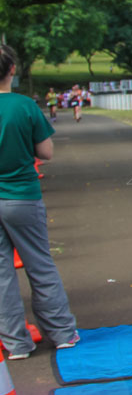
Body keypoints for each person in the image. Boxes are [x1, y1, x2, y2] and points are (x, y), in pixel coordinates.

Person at [0, 45, 79, 359]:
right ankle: (61, 332)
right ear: (12, 70)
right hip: (21, 196)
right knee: (39, 264)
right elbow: (45, 153)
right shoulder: (25, 106)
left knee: (1, 274)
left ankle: (16, 343)